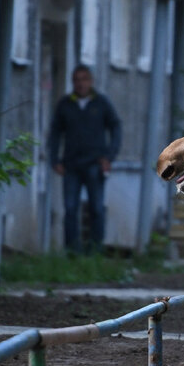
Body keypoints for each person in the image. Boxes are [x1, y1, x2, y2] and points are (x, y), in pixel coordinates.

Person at [47, 65, 122, 253]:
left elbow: (116, 127)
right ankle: (72, 252)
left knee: (96, 208)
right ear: (73, 82)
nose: (81, 83)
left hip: (95, 164)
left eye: (84, 79)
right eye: (77, 80)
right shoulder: (65, 104)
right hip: (71, 165)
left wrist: (109, 156)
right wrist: (54, 159)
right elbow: (55, 133)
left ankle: (95, 251)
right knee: (70, 209)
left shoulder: (101, 103)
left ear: (91, 81)